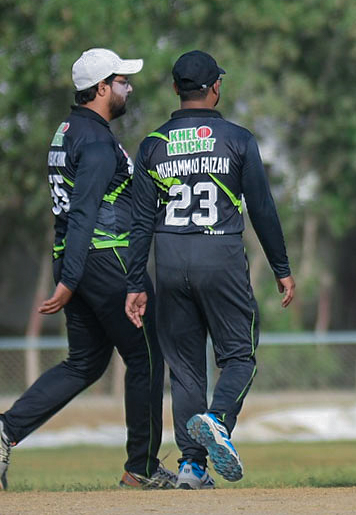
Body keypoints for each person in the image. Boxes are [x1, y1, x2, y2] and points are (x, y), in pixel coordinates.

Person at [0, 48, 170, 491]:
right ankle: (142, 468)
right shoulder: (95, 141)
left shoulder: (69, 130)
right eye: (122, 81)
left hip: (78, 256)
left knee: (85, 362)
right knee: (146, 359)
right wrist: (71, 279)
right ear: (101, 88)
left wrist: (68, 270)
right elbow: (84, 212)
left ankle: (5, 429)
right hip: (107, 258)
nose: (129, 88)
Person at [125, 50, 295, 489]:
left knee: (184, 370)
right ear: (215, 87)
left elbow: (140, 222)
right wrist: (281, 266)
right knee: (239, 356)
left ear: (175, 89)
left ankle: (192, 467)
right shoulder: (238, 139)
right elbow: (262, 209)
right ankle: (218, 419)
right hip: (219, 255)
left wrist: (135, 282)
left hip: (168, 258)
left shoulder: (152, 145)